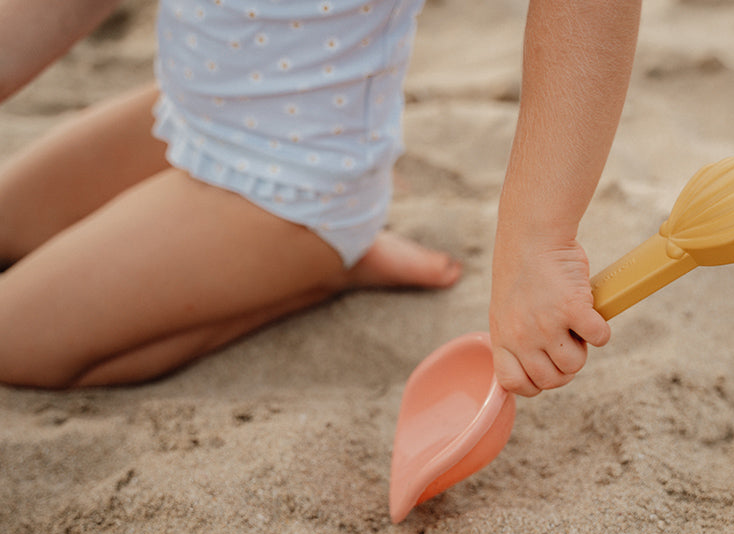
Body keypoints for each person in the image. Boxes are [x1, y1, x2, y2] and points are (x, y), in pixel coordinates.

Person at [0, 0, 641, 394]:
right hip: (187, 117)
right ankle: (322, 255)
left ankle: (323, 260)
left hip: (291, 181)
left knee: (15, 341)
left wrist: (535, 241)